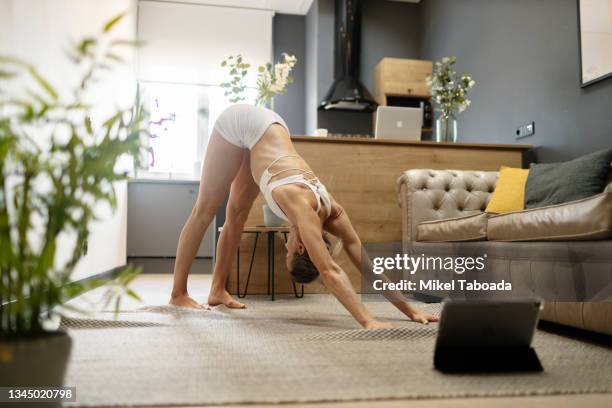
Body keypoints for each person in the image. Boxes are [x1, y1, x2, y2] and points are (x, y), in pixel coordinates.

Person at [169, 104, 438, 329]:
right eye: (287, 253)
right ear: (300, 246)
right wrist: (368, 320)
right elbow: (329, 270)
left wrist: (411, 312)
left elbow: (369, 268)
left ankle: (217, 291)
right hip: (242, 121)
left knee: (237, 214)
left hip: (272, 127)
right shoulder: (301, 207)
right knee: (205, 209)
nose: (285, 246)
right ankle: (178, 293)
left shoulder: (332, 211)